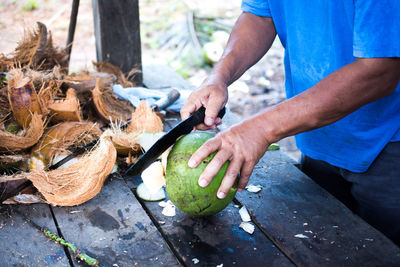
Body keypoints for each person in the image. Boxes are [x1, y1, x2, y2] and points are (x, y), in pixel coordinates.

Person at [180, 1, 400, 246]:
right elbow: (261, 15)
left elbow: (380, 70)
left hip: (388, 143)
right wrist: (219, 76)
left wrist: (261, 128)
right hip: (315, 130)